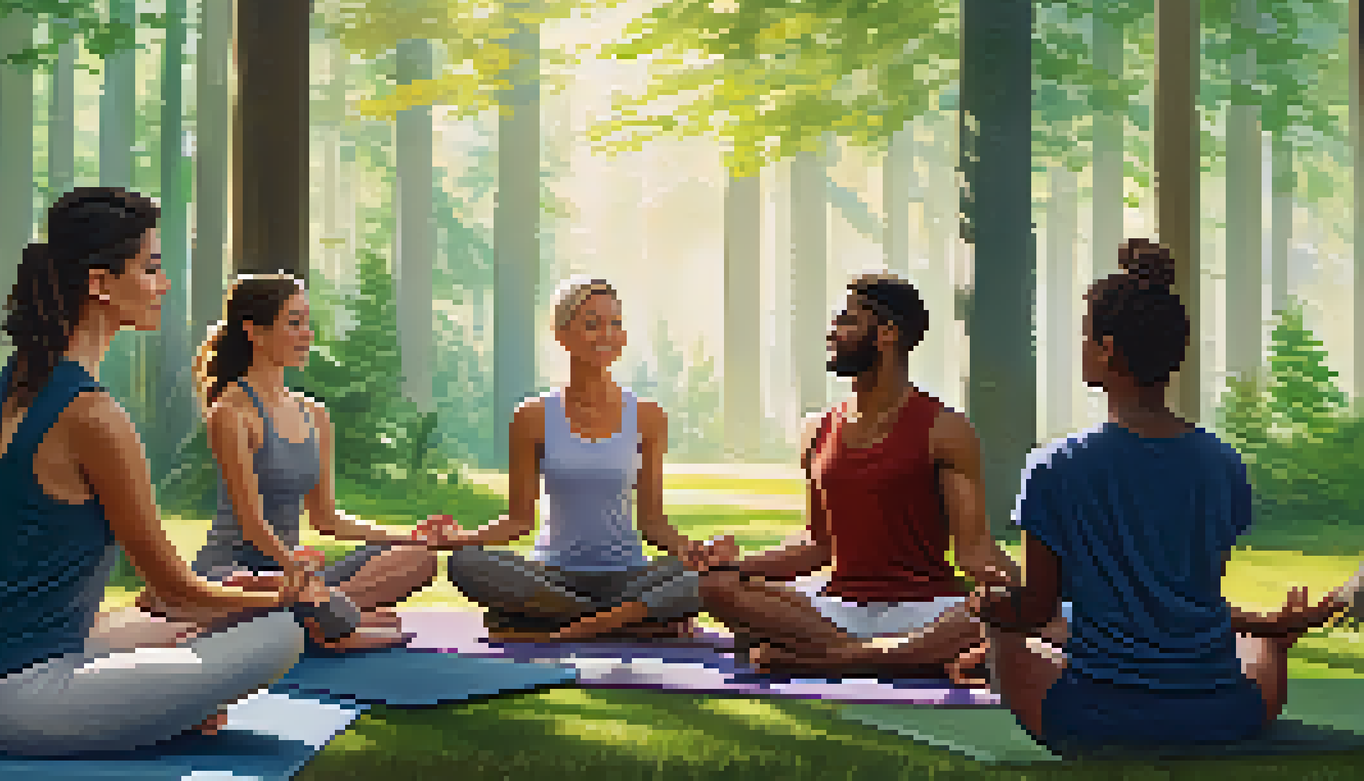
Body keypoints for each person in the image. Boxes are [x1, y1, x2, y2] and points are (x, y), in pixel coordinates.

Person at [0, 188, 331, 756]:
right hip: (21, 698)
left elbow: (167, 599)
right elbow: (175, 590)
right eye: (151, 268)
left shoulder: (20, 380)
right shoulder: (93, 415)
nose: (163, 284)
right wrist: (286, 596)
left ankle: (159, 705)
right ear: (99, 282)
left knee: (218, 609)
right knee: (280, 630)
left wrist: (238, 592)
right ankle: (165, 710)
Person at [971, 238, 1358, 755]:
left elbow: (1037, 608)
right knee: (1257, 646)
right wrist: (1274, 625)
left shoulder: (1054, 466)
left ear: (1108, 349)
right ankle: (1272, 642)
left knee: (1007, 640)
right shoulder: (1223, 464)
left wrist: (993, 609)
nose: (1081, 347)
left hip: (1093, 718)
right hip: (1223, 714)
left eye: (1086, 336)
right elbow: (1193, 602)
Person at [687, 273, 1024, 681]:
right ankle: (871, 655)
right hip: (837, 609)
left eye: (847, 321)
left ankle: (829, 659)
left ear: (887, 333)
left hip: (927, 610)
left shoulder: (945, 430)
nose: (833, 331)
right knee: (715, 588)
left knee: (1005, 613)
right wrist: (732, 567)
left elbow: (975, 554)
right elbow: (817, 547)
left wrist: (1032, 595)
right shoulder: (817, 429)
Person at [427, 276, 705, 641]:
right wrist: (460, 540)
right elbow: (519, 520)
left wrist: (695, 552)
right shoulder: (532, 417)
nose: (607, 334)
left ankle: (556, 624)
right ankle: (627, 621)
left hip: (629, 575)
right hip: (552, 576)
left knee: (713, 576)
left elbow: (652, 522)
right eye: (592, 324)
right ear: (562, 334)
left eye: (615, 324)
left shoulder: (648, 417)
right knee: (466, 565)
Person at [185, 273, 440, 652]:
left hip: (295, 574)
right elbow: (251, 523)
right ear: (253, 331)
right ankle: (327, 622)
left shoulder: (314, 414)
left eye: (307, 321)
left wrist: (410, 535)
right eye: (294, 322)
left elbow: (326, 519)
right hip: (237, 571)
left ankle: (320, 617)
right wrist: (294, 566)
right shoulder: (232, 412)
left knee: (420, 560)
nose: (307, 333)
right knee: (263, 587)